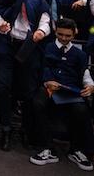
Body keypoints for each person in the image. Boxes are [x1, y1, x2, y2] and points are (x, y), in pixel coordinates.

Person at [0, 0, 51, 151]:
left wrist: (42, 31)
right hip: (7, 45)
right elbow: (0, 11)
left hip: (29, 47)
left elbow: (45, 18)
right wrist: (0, 26)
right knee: (3, 88)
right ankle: (6, 129)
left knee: (28, 91)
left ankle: (26, 129)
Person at [29, 18, 94, 171]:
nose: (64, 38)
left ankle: (76, 149)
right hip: (49, 88)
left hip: (71, 90)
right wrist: (47, 82)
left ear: (74, 34)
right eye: (60, 34)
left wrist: (90, 87)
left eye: (68, 36)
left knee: (81, 109)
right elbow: (39, 69)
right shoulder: (47, 47)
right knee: (38, 102)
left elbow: (85, 75)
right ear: (56, 32)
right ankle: (47, 148)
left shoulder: (80, 54)